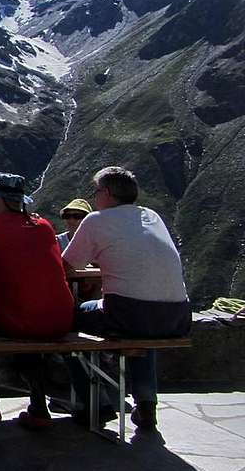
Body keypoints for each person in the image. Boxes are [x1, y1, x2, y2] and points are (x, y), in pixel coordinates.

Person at [62, 166, 191, 430]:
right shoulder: (152, 216)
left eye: (96, 191)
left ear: (107, 193)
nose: (95, 197)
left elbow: (67, 266)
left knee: (69, 320)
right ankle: (146, 404)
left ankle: (93, 402)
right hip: (177, 316)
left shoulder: (96, 220)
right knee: (143, 332)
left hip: (129, 314)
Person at [0, 172, 74, 430]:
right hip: (62, 318)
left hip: (21, 320)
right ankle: (39, 406)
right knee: (26, 308)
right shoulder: (43, 226)